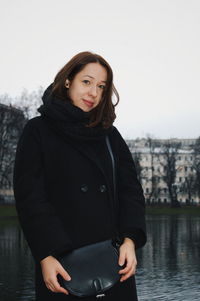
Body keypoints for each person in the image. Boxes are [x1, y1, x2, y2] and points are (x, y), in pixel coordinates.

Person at [13, 51, 147, 301]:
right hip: (62, 264)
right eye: (86, 82)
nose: (94, 93)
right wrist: (46, 255)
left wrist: (130, 240)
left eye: (101, 86)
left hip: (114, 262)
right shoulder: (38, 131)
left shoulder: (109, 135)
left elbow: (131, 190)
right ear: (67, 81)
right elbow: (31, 198)